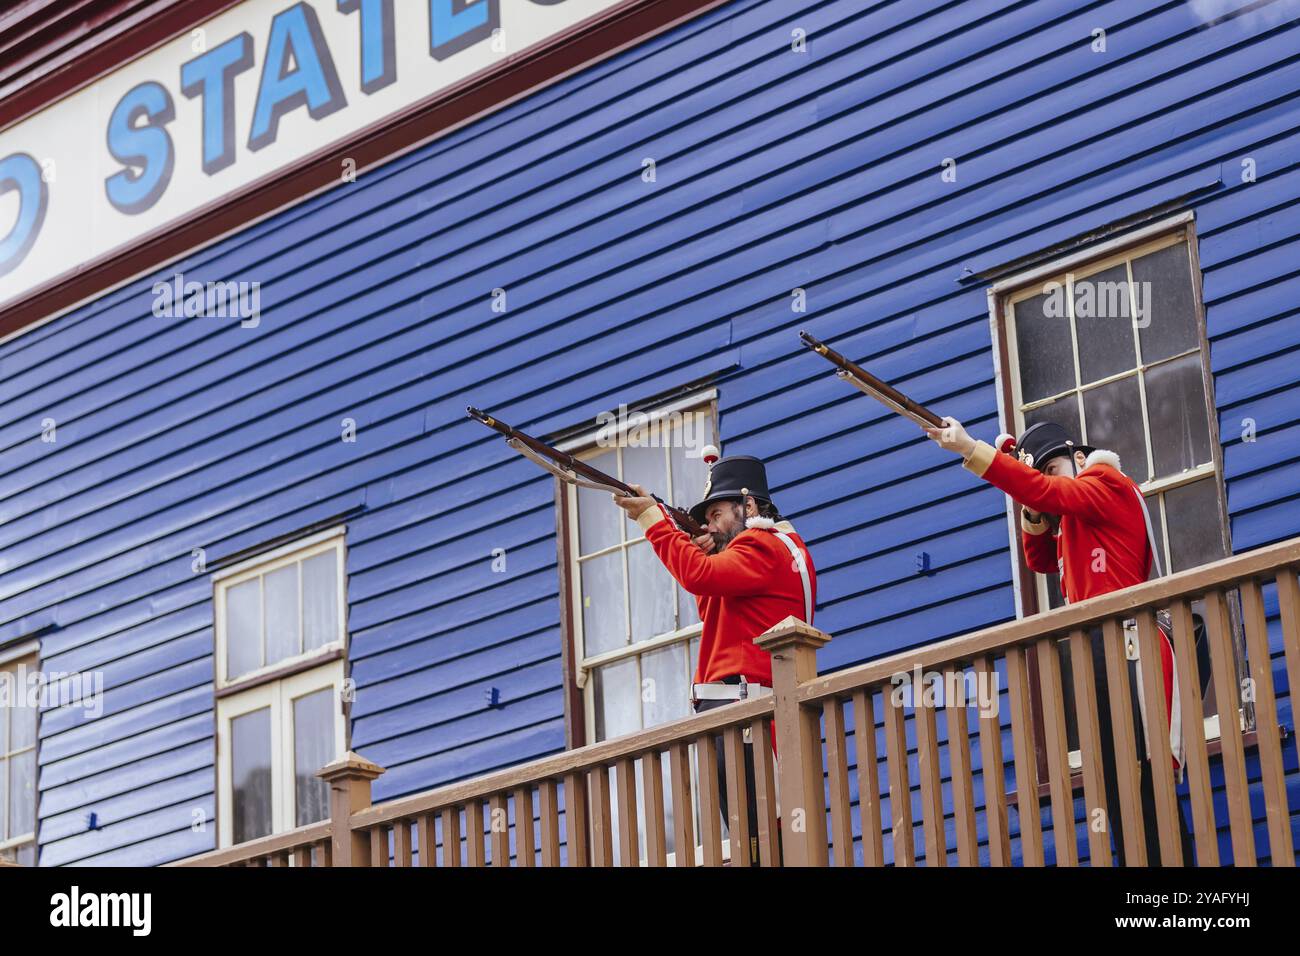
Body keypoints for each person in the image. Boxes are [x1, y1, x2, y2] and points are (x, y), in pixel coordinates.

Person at [925, 417, 1195, 865]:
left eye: (1053, 467)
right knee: (1117, 786)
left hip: (1132, 648)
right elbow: (1041, 558)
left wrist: (972, 450)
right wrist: (1028, 495)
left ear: (1080, 458)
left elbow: (1049, 493)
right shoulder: (1075, 512)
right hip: (1101, 655)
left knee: (1150, 786)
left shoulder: (1104, 480)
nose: (1048, 480)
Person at [612, 454, 815, 864]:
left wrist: (654, 522)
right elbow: (713, 606)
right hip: (742, 709)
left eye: (718, 513)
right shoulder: (776, 548)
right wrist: (694, 545)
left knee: (760, 840)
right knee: (760, 837)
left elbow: (699, 577)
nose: (711, 524)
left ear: (750, 506)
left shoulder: (759, 544)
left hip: (745, 710)